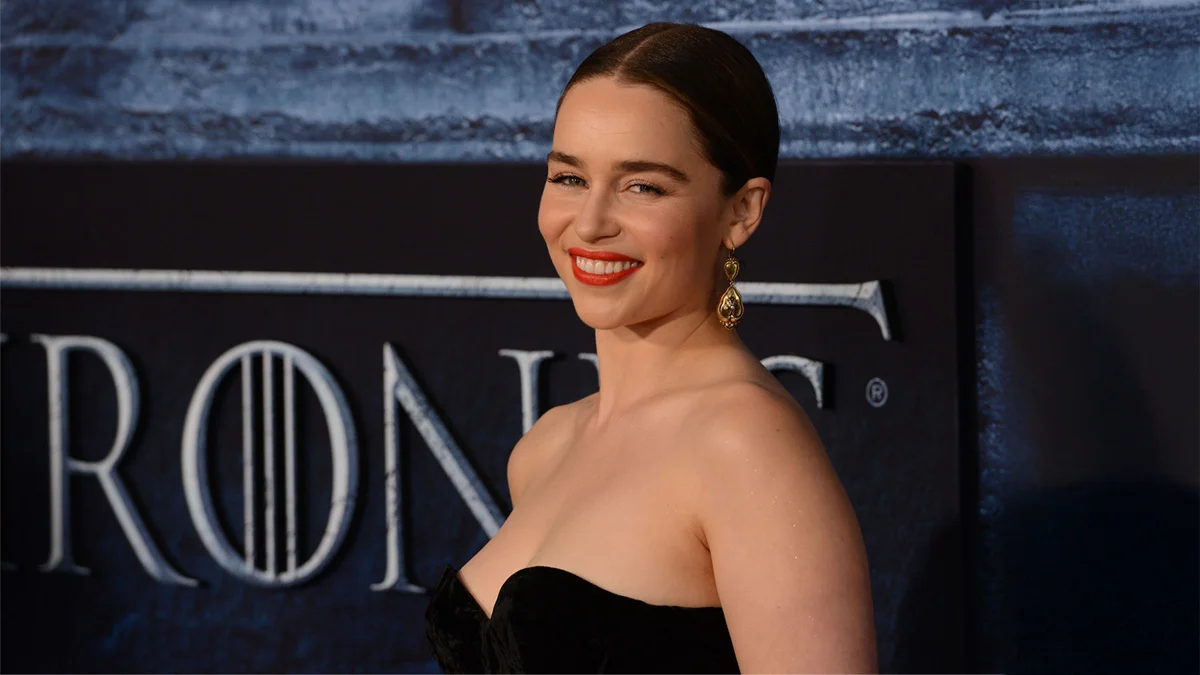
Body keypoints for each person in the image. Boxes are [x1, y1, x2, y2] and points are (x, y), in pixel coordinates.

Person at [425, 21, 877, 674]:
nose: (590, 223)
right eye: (569, 178)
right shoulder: (546, 446)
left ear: (741, 211)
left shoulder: (745, 444)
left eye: (643, 186)